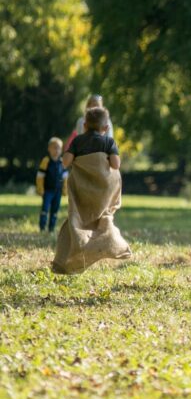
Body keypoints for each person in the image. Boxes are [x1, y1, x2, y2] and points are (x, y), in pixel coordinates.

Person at [52, 107, 132, 274]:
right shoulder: (108, 142)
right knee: (104, 218)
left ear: (85, 125)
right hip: (103, 194)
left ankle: (70, 258)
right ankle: (113, 244)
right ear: (106, 128)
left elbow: (65, 162)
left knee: (77, 220)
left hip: (82, 192)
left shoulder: (77, 141)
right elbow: (115, 165)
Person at [36, 137, 67, 233]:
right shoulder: (46, 161)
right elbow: (40, 176)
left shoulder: (62, 162)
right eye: (54, 148)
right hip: (47, 191)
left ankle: (51, 228)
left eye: (59, 148)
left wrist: (65, 189)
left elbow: (65, 178)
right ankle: (42, 227)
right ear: (49, 148)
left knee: (55, 210)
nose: (56, 150)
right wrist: (40, 188)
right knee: (45, 209)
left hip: (58, 191)